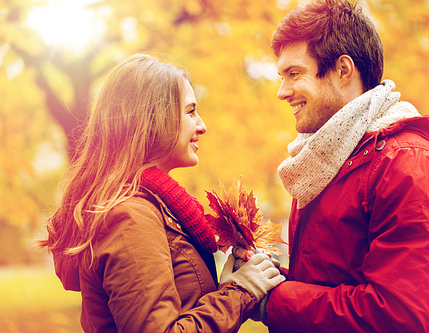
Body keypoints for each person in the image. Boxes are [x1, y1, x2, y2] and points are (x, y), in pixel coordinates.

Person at [235, 0, 429, 332]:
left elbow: (402, 319)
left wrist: (275, 300)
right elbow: (333, 282)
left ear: (343, 70)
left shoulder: (411, 166)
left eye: (294, 74)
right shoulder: (325, 161)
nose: (282, 92)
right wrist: (267, 278)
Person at [39, 53, 285, 333]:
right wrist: (240, 293)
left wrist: (229, 287)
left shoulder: (158, 209)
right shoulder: (130, 218)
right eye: (191, 111)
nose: (202, 126)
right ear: (155, 119)